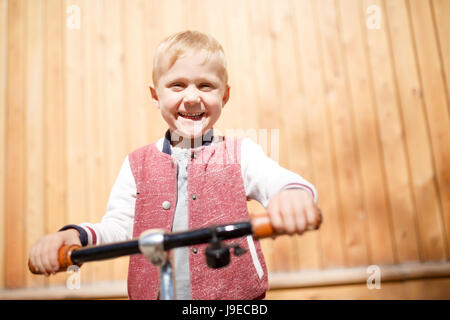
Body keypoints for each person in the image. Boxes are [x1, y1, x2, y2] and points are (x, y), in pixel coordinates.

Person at [28, 30, 322, 300]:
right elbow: (119, 227)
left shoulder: (240, 153)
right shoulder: (137, 164)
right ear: (156, 96)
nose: (192, 97)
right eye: (177, 85)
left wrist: (292, 196)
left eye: (206, 85)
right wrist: (74, 235)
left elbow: (279, 182)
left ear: (225, 95)